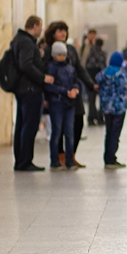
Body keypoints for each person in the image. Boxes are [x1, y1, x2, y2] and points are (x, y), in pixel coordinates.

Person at [43, 21, 94, 168]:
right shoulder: (48, 51)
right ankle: (59, 156)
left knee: (78, 123)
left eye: (64, 30)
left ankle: (70, 155)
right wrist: (45, 96)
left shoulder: (70, 49)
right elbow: (45, 74)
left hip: (72, 94)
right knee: (58, 128)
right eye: (59, 31)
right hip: (57, 96)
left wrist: (90, 85)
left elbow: (78, 69)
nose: (63, 33)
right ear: (53, 34)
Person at [11, 15, 52, 171]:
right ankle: (24, 162)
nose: (41, 30)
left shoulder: (20, 39)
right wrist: (43, 78)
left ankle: (21, 160)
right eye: (40, 26)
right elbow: (25, 65)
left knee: (22, 125)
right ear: (34, 26)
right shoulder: (26, 42)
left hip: (22, 89)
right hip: (30, 89)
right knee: (29, 126)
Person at [96, 51, 127, 169]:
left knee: (108, 132)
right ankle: (111, 159)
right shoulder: (122, 74)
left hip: (106, 107)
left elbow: (96, 79)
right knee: (115, 133)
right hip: (119, 108)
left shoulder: (103, 73)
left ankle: (107, 158)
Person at [44, 42, 80, 171]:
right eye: (59, 55)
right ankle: (55, 161)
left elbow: (76, 81)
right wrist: (65, 92)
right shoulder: (50, 68)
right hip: (57, 103)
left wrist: (75, 89)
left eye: (64, 54)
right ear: (54, 55)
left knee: (70, 133)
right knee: (57, 132)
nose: (62, 57)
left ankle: (69, 161)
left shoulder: (70, 68)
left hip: (70, 104)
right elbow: (49, 86)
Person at [84, 38, 107, 125]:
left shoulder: (90, 53)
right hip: (99, 80)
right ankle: (100, 118)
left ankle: (91, 119)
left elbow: (86, 65)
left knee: (91, 101)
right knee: (101, 100)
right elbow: (103, 68)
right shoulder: (102, 54)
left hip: (90, 80)